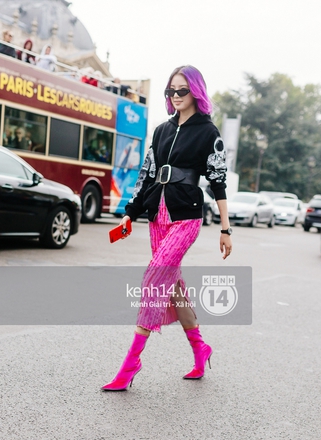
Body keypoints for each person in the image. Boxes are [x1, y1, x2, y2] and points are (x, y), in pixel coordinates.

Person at [101, 65, 232, 391]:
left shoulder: (208, 133)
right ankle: (201, 349)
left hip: (186, 216)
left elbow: (218, 182)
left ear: (195, 93)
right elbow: (146, 174)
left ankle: (130, 364)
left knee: (154, 277)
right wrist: (130, 213)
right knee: (173, 286)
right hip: (156, 215)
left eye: (181, 91)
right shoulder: (160, 130)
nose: (175, 97)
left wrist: (226, 229)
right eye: (170, 91)